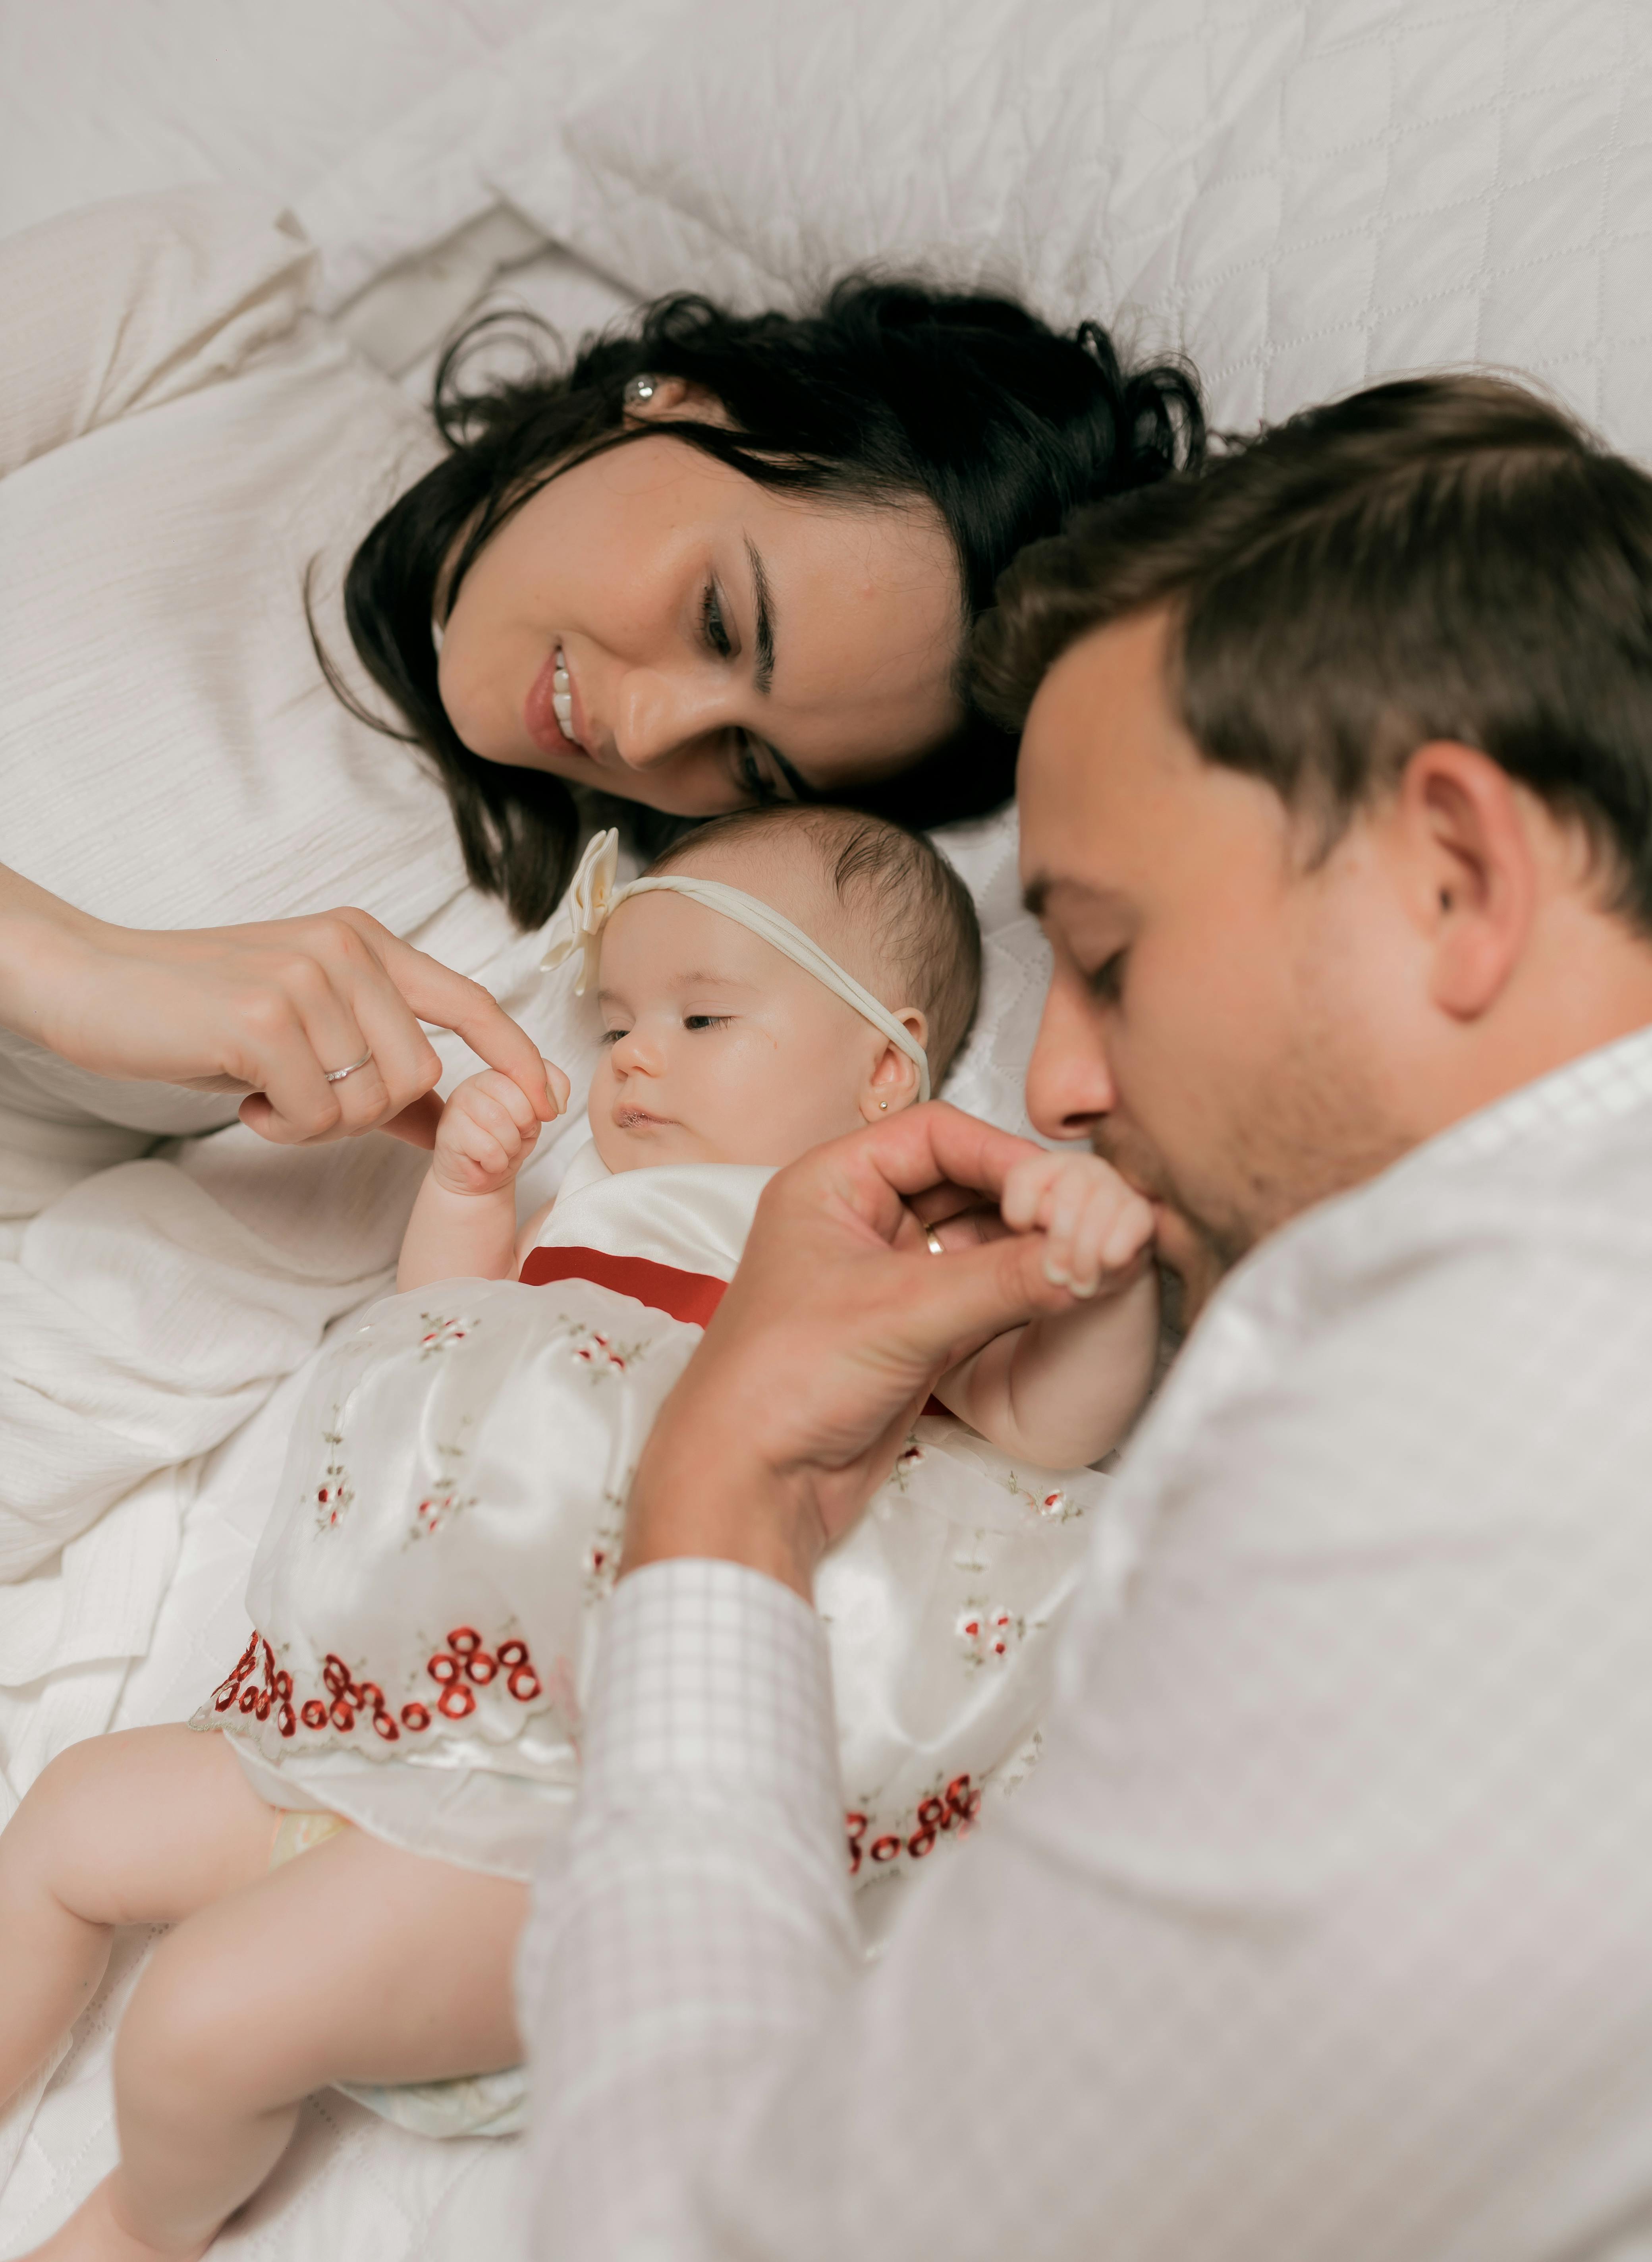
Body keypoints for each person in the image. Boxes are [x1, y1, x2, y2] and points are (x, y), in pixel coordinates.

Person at [519, 374, 1652, 2260]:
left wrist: (716, 1492)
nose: (1052, 1080)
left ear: (1454, 874)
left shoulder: (1480, 1455)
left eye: (1106, 960)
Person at [0, 185, 1198, 1621]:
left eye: (746, 761)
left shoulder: (511, 999)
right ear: (673, 401)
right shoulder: (202, 325)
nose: (645, 729)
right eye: (719, 620)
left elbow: (113, 1343)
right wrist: (64, 963)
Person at [0, 807, 1158, 2261]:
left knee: (203, 2019)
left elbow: (1045, 1425)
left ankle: (137, 2224)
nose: (636, 1058)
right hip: (372, 1723)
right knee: (65, 1823)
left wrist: (1088, 1268)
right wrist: (470, 1200)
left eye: (702, 1014)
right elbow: (446, 1337)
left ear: (883, 1067)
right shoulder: (600, 1209)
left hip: (580, 1803)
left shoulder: (895, 1251)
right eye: (616, 1025)